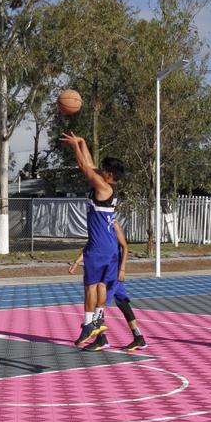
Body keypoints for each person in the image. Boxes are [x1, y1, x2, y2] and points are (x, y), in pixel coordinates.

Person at [60, 132, 124, 348]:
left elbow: (84, 166)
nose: (99, 170)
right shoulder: (110, 187)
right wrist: (83, 142)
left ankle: (89, 323)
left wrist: (74, 147)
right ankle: (99, 324)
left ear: (108, 174)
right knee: (101, 285)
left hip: (98, 246)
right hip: (110, 247)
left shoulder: (102, 187)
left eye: (102, 170)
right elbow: (91, 165)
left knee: (89, 286)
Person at [69, 221, 147, 352]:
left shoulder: (113, 224)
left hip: (112, 272)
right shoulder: (96, 228)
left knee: (98, 302)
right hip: (106, 270)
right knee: (122, 303)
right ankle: (138, 337)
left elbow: (125, 247)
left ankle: (101, 339)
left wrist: (122, 269)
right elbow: (90, 247)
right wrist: (77, 262)